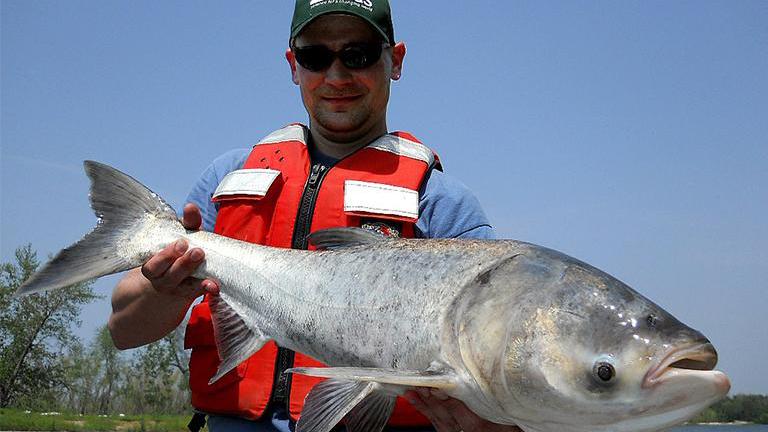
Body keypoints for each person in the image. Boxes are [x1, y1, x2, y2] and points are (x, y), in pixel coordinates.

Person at [108, 1, 520, 431]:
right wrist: (167, 289)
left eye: (358, 55)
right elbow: (124, 330)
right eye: (315, 57)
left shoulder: (441, 202)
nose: (337, 76)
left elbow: (500, 366)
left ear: (395, 60)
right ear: (293, 65)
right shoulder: (228, 177)